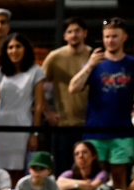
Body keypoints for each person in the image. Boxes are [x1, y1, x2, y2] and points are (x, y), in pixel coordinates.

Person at [68, 17, 134, 190]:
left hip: (122, 130)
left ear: (124, 37)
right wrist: (89, 65)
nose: (110, 41)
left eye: (115, 36)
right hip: (96, 129)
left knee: (120, 177)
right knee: (96, 178)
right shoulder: (94, 63)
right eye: (107, 37)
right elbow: (73, 88)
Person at [0, 32, 45, 186]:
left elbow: (39, 106)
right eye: (10, 47)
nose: (14, 50)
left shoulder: (36, 71)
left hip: (22, 124)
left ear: (25, 49)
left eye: (18, 46)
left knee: (18, 170)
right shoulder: (1, 71)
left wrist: (34, 133)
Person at [42, 18, 91, 176]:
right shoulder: (54, 57)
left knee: (89, 172)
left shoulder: (94, 55)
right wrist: (48, 112)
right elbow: (37, 86)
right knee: (62, 171)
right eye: (70, 32)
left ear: (85, 33)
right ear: (64, 36)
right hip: (63, 124)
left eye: (77, 31)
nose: (74, 35)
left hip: (91, 124)